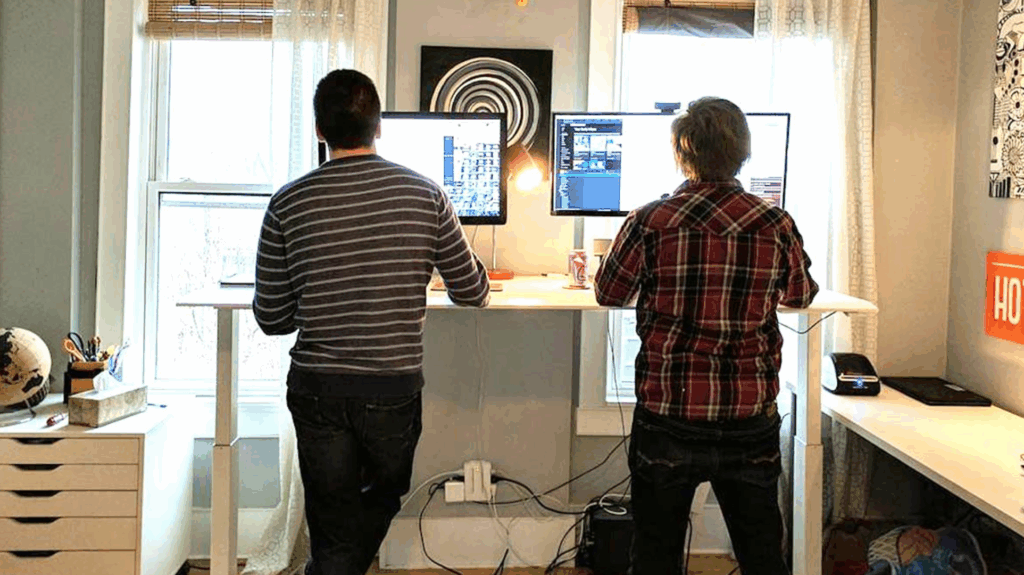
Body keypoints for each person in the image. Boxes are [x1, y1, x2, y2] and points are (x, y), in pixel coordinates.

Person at [253, 69, 490, 575]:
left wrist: (318, 295)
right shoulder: (426, 194)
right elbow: (472, 292)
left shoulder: (287, 202)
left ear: (320, 131)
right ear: (378, 127)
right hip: (391, 387)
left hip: (318, 386)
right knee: (376, 502)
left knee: (331, 518)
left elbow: (272, 318)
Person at [594, 97, 818, 575]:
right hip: (748, 415)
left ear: (682, 154)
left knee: (655, 555)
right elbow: (800, 294)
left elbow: (609, 292)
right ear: (743, 153)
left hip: (668, 414)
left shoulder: (649, 220)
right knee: (761, 553)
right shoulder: (775, 222)